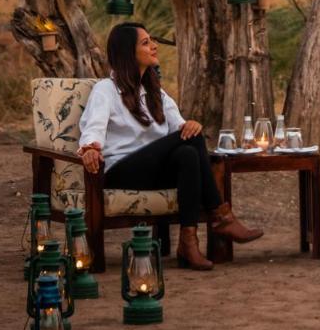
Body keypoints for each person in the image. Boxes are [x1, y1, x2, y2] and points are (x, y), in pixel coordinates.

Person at [77, 22, 263, 270]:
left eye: (151, 40)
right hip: (120, 170)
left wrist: (191, 125)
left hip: (154, 172)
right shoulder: (106, 90)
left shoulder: (155, 91)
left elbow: (180, 127)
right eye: (145, 43)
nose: (154, 46)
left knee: (188, 151)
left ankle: (188, 241)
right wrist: (91, 148)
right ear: (127, 52)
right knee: (191, 141)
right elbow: (93, 127)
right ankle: (220, 216)